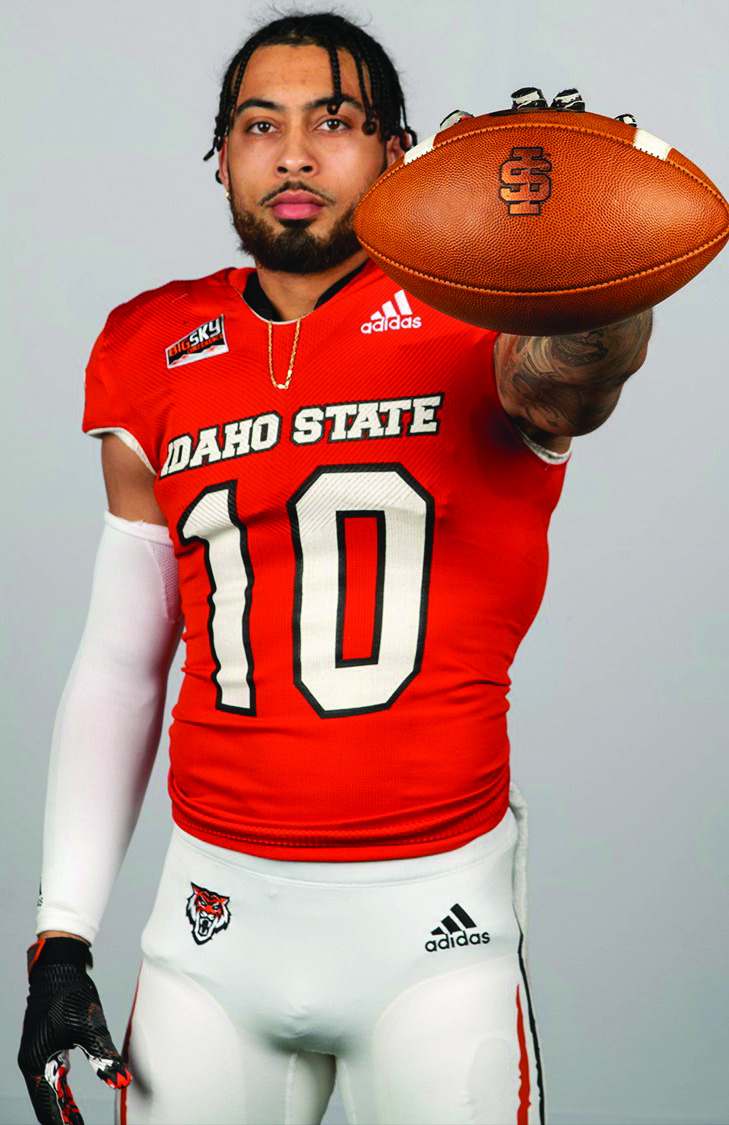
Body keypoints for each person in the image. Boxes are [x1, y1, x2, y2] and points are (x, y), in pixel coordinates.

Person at [18, 11, 653, 1125]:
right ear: (220, 154)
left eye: (337, 121)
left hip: (434, 933)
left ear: (398, 152)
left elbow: (577, 374)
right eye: (260, 125)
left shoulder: (483, 315)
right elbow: (123, 664)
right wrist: (61, 935)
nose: (297, 153)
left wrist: (587, 262)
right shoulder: (146, 347)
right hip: (209, 930)